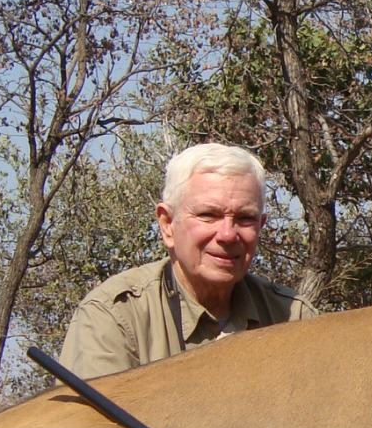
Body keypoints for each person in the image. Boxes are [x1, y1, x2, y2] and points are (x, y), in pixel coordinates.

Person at [58, 143, 314, 378]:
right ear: (167, 224)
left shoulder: (294, 317)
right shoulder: (114, 315)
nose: (227, 235)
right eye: (208, 215)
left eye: (245, 218)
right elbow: (92, 414)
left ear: (261, 225)